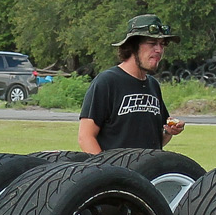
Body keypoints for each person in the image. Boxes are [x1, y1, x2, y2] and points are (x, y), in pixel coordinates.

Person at [78, 14, 187, 153]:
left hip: (148, 166)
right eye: (152, 43)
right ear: (132, 46)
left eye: (162, 44)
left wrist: (169, 132)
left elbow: (155, 141)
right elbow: (85, 137)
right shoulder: (107, 81)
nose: (159, 50)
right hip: (115, 167)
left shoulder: (153, 85)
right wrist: (105, 166)